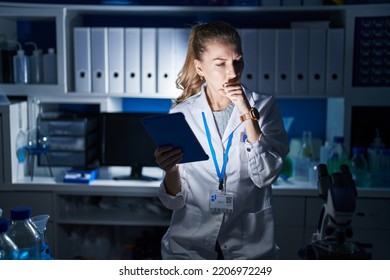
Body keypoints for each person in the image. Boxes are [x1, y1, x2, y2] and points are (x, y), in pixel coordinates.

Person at [155, 21, 289, 260]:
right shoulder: (181, 114)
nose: (233, 72)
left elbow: (266, 175)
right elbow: (173, 201)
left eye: (238, 61)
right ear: (199, 68)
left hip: (249, 248)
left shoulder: (264, 107)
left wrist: (247, 113)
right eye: (221, 64)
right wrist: (171, 169)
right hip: (188, 248)